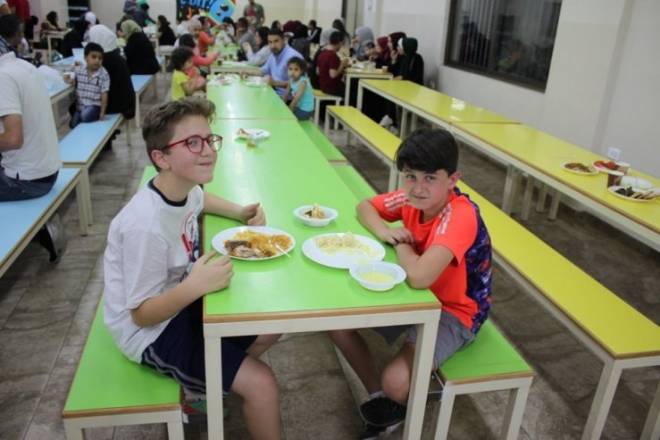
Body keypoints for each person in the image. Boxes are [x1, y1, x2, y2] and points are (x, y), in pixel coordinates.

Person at [103, 97, 282, 439]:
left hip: (180, 299)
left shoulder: (182, 187)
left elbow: (202, 198)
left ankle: (205, 386)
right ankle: (208, 387)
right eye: (193, 143)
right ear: (161, 158)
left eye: (209, 140)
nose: (209, 151)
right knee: (263, 384)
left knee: (269, 325)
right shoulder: (145, 225)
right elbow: (141, 315)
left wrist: (239, 211)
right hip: (150, 333)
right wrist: (195, 287)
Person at [329, 128, 492, 438]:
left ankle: (394, 397)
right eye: (410, 176)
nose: (418, 188)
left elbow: (419, 277)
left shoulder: (460, 214)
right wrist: (385, 231)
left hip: (455, 311)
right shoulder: (411, 198)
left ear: (453, 180)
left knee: (396, 382)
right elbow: (365, 207)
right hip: (415, 295)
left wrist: (401, 243)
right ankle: (380, 400)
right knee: (337, 323)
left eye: (430, 178)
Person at [0, 16, 61, 202]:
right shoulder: (25, 67)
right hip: (47, 171)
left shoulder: (3, 77)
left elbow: (13, 139)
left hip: (28, 181)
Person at [88, 24, 136, 120]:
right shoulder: (114, 54)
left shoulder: (103, 60)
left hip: (116, 105)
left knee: (78, 109)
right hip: (126, 102)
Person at [66, 42, 109, 128]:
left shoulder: (103, 74)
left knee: (84, 116)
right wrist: (70, 79)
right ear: (85, 58)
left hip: (95, 106)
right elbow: (68, 74)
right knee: (73, 125)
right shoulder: (79, 70)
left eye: (100, 58)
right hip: (80, 106)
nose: (97, 60)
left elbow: (104, 94)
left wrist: (102, 112)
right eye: (94, 57)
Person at [260, 28, 302, 97]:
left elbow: (299, 84)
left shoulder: (293, 57)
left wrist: (275, 83)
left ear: (283, 40)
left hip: (289, 99)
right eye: (270, 42)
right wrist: (244, 71)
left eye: (276, 41)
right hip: (274, 93)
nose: (273, 46)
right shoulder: (274, 54)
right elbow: (263, 71)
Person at [316, 31, 349, 97]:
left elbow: (317, 71)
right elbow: (333, 75)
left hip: (322, 85)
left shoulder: (322, 52)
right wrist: (342, 65)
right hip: (331, 88)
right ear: (340, 43)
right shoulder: (332, 56)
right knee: (352, 90)